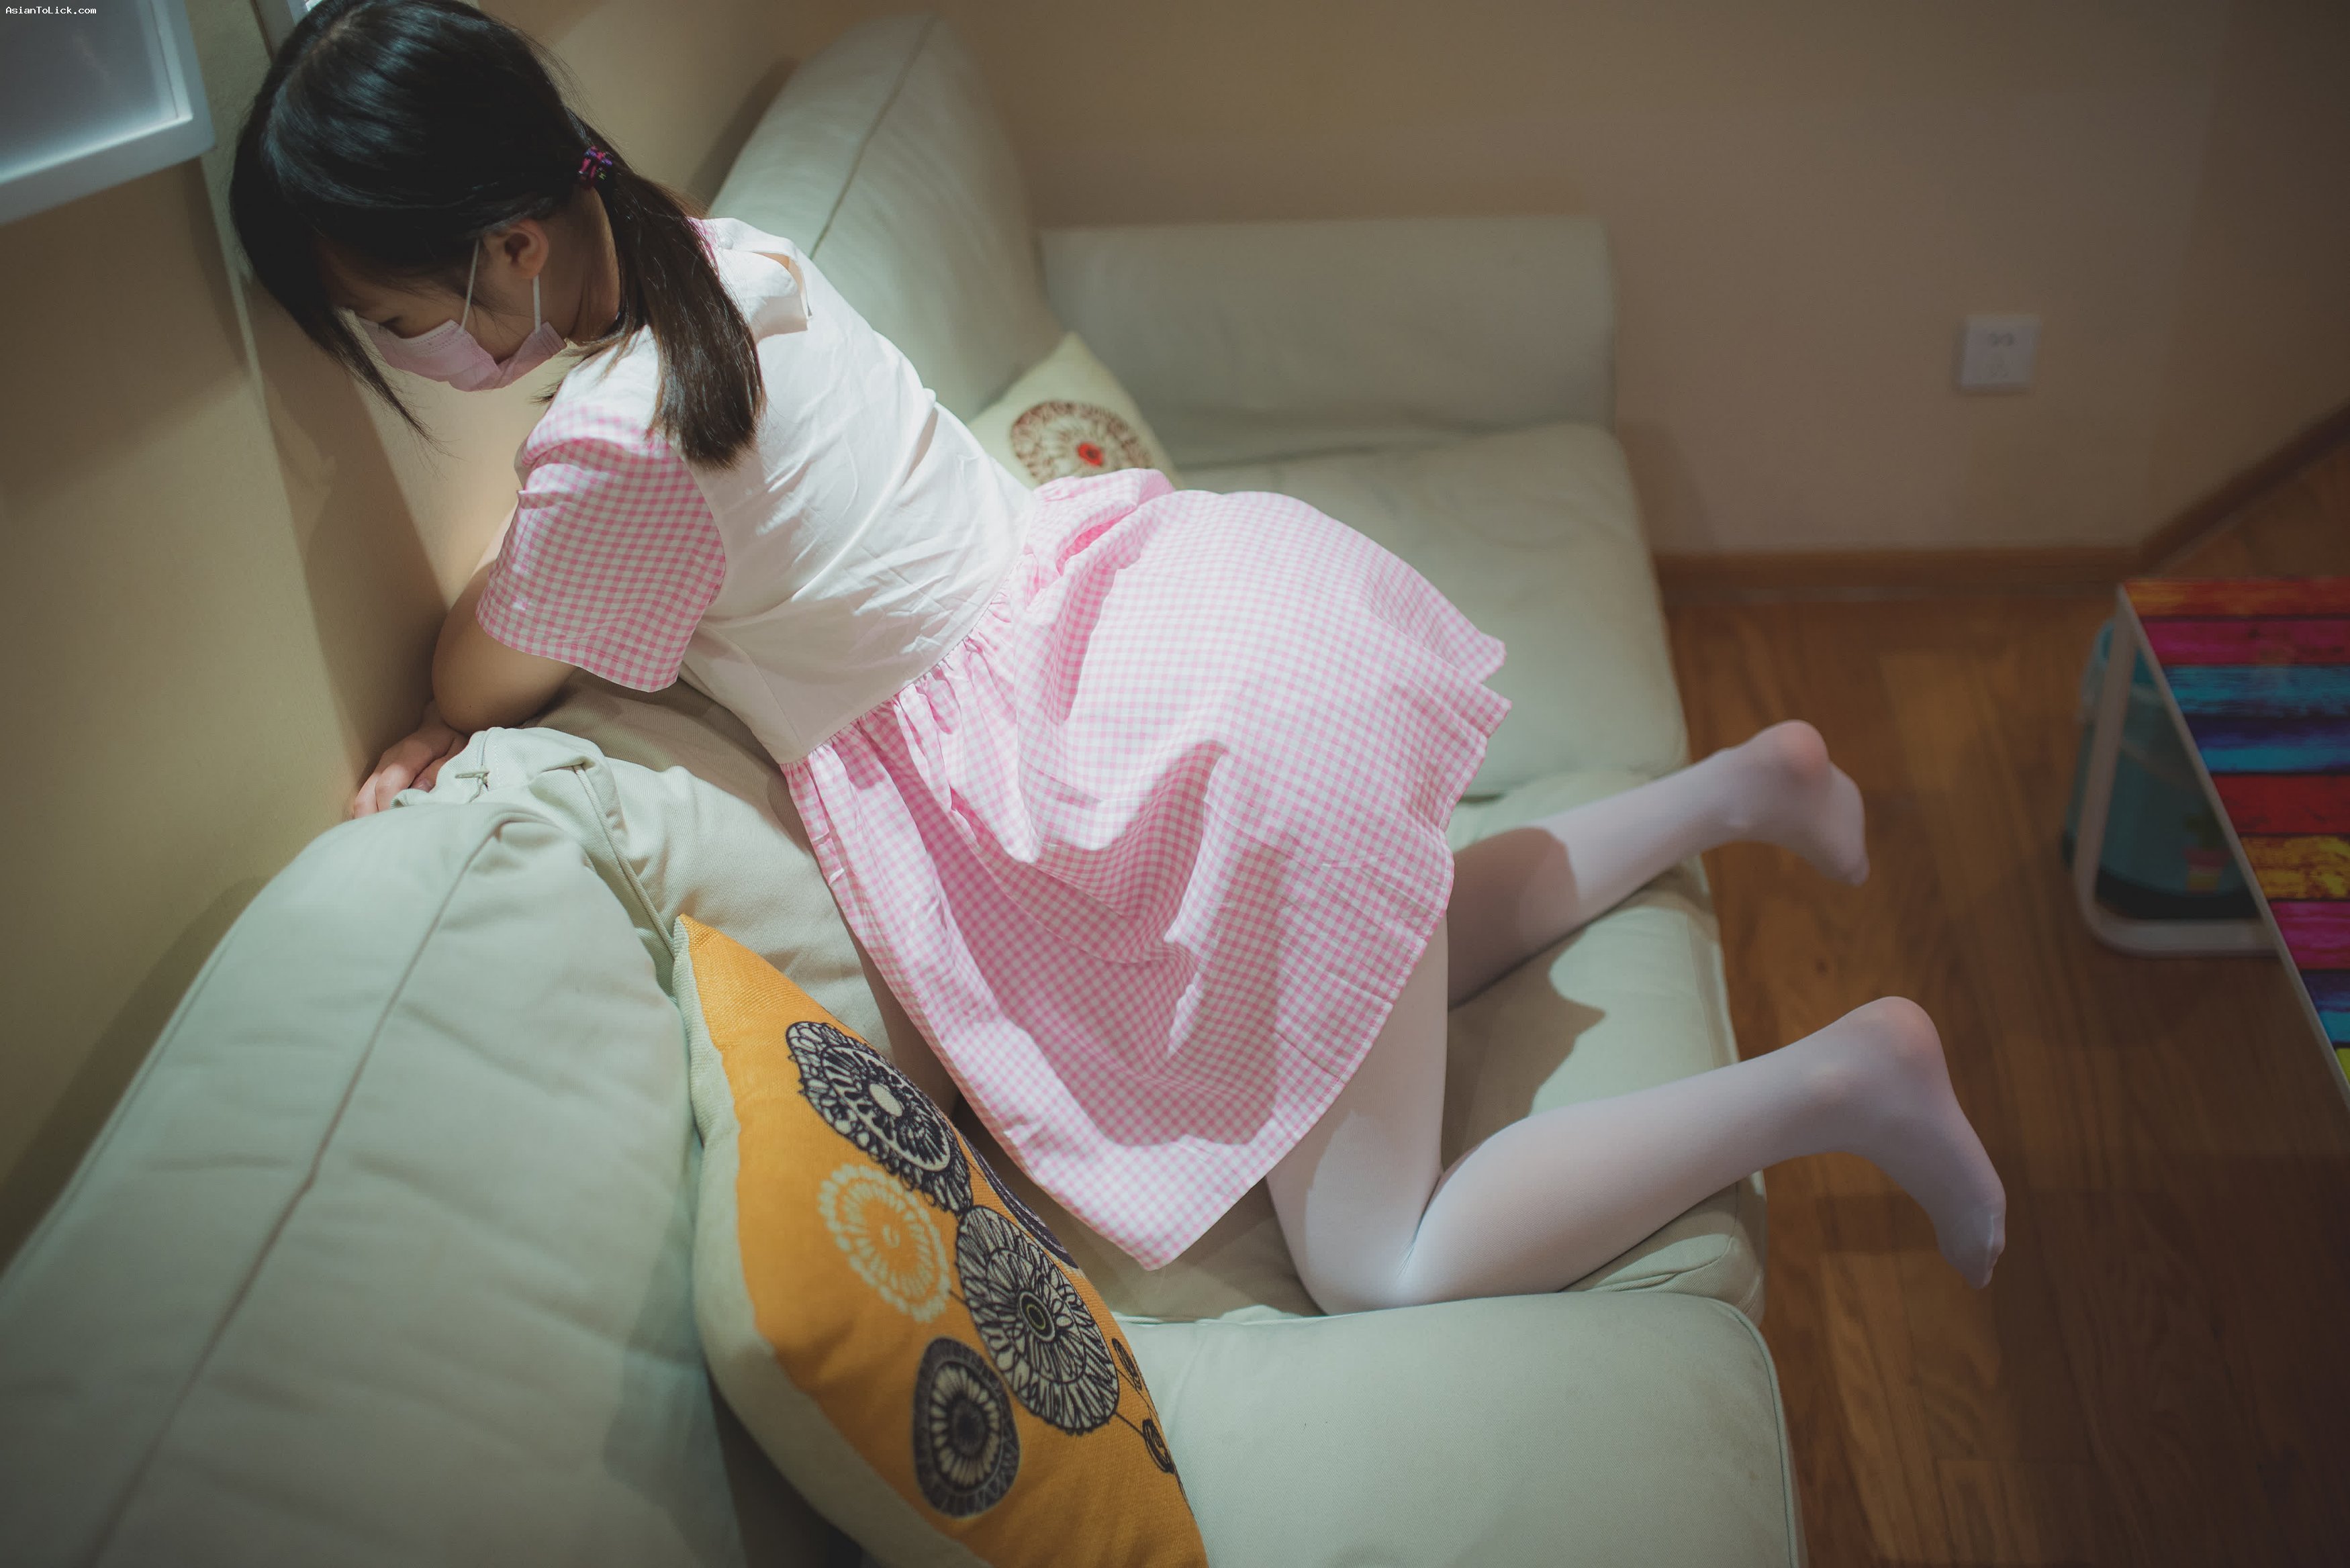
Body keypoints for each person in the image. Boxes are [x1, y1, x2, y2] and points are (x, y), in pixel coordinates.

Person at [232, 0, 2004, 1312]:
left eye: (397, 320)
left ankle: (1837, 1081)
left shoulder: (609, 453)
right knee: (1387, 929)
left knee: (1380, 1264)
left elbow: (474, 672)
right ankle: (1744, 787)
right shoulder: (720, 255)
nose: (409, 355)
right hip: (1175, 624)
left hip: (1141, 753)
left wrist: (438, 701)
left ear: (509, 248)